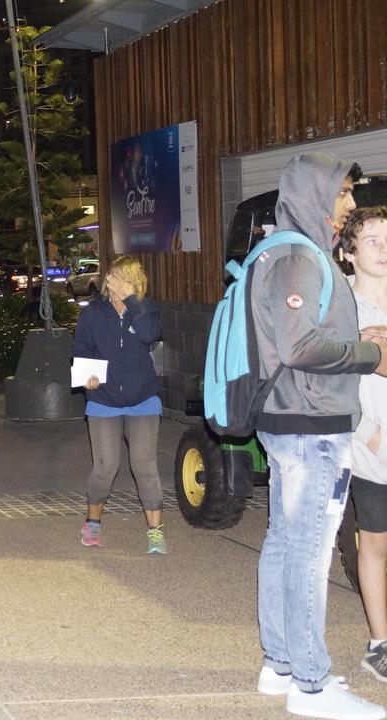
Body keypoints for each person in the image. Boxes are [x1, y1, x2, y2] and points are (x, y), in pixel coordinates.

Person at [249, 153, 387, 719]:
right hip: (311, 426)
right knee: (307, 553)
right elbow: (298, 347)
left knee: (285, 542)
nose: (349, 205)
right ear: (315, 195)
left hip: (294, 420)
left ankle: (278, 666)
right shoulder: (298, 256)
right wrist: (371, 354)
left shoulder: (288, 250)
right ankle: (311, 684)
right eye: (343, 195)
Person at [71, 256, 164, 553]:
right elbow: (80, 349)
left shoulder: (145, 309)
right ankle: (93, 522)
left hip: (143, 399)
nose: (112, 282)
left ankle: (156, 532)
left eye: (120, 278)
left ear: (134, 282)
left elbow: (150, 335)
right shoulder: (94, 312)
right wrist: (87, 377)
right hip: (103, 401)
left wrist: (132, 302)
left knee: (144, 465)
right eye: (111, 277)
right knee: (105, 466)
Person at [339, 207, 387, 682]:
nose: (384, 248)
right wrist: (367, 432)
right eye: (372, 240)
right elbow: (332, 380)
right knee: (375, 544)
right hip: (374, 449)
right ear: (349, 253)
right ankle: (379, 644)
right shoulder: (342, 307)